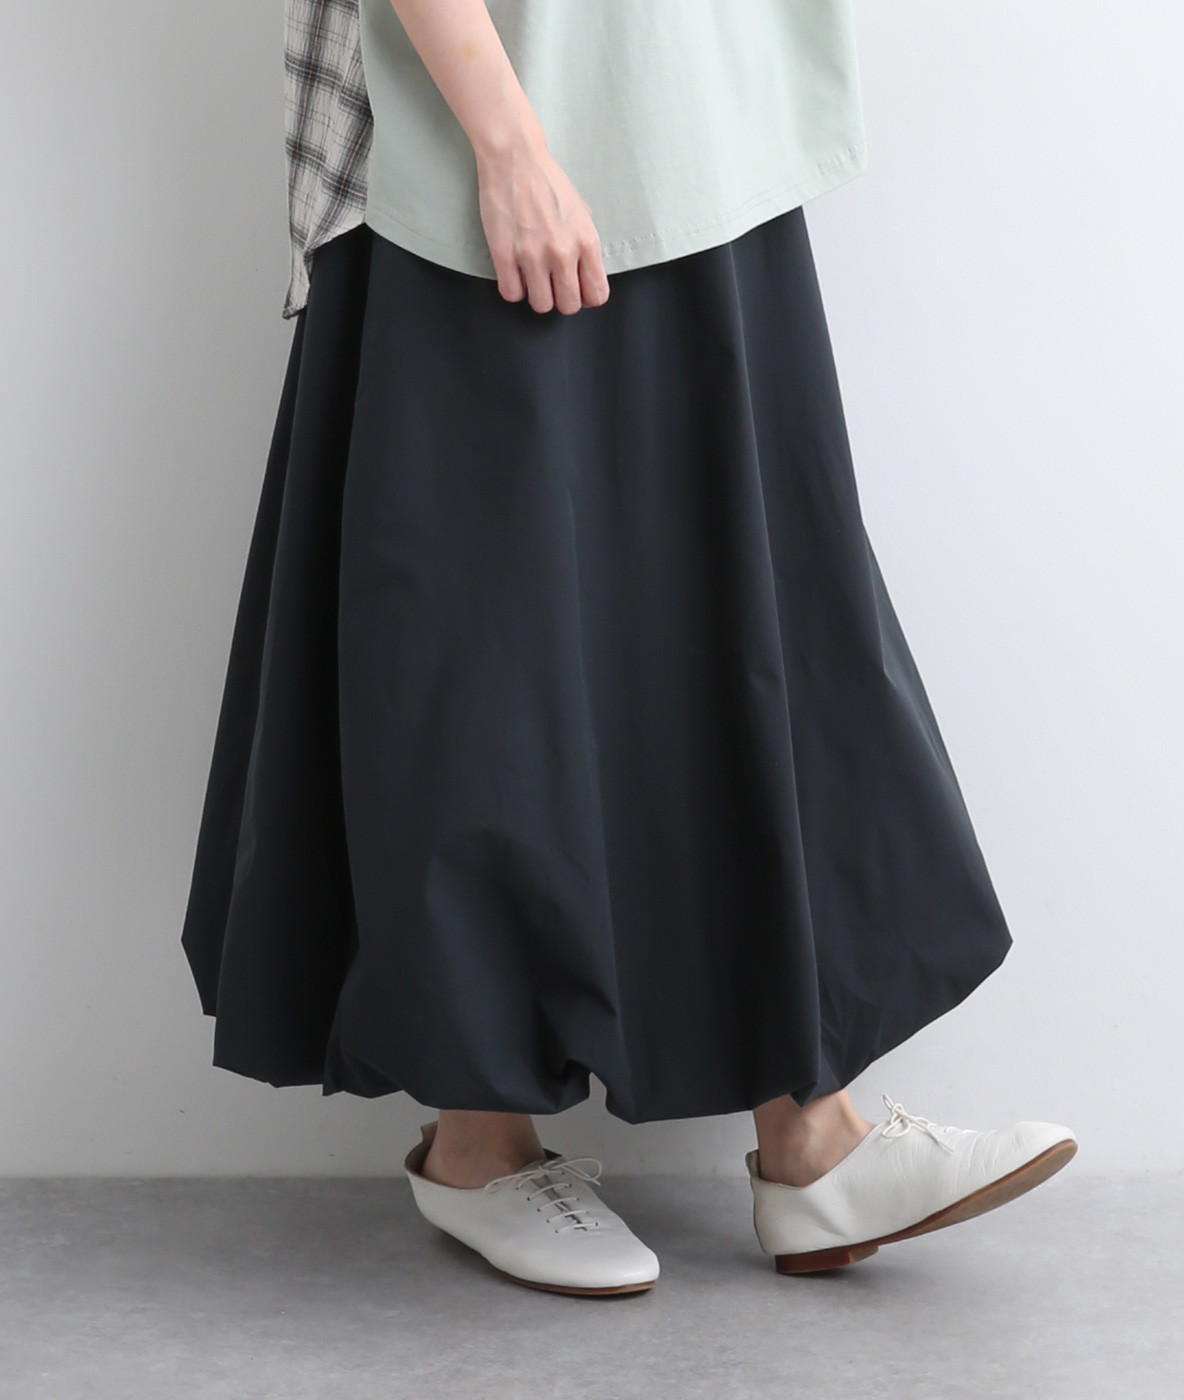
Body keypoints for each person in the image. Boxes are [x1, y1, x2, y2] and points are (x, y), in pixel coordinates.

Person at [182, 0, 1077, 1298]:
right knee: (488, 657)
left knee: (738, 622)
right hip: (492, 127)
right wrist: (507, 144)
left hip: (690, 120)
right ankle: (479, 1145)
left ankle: (811, 1139)